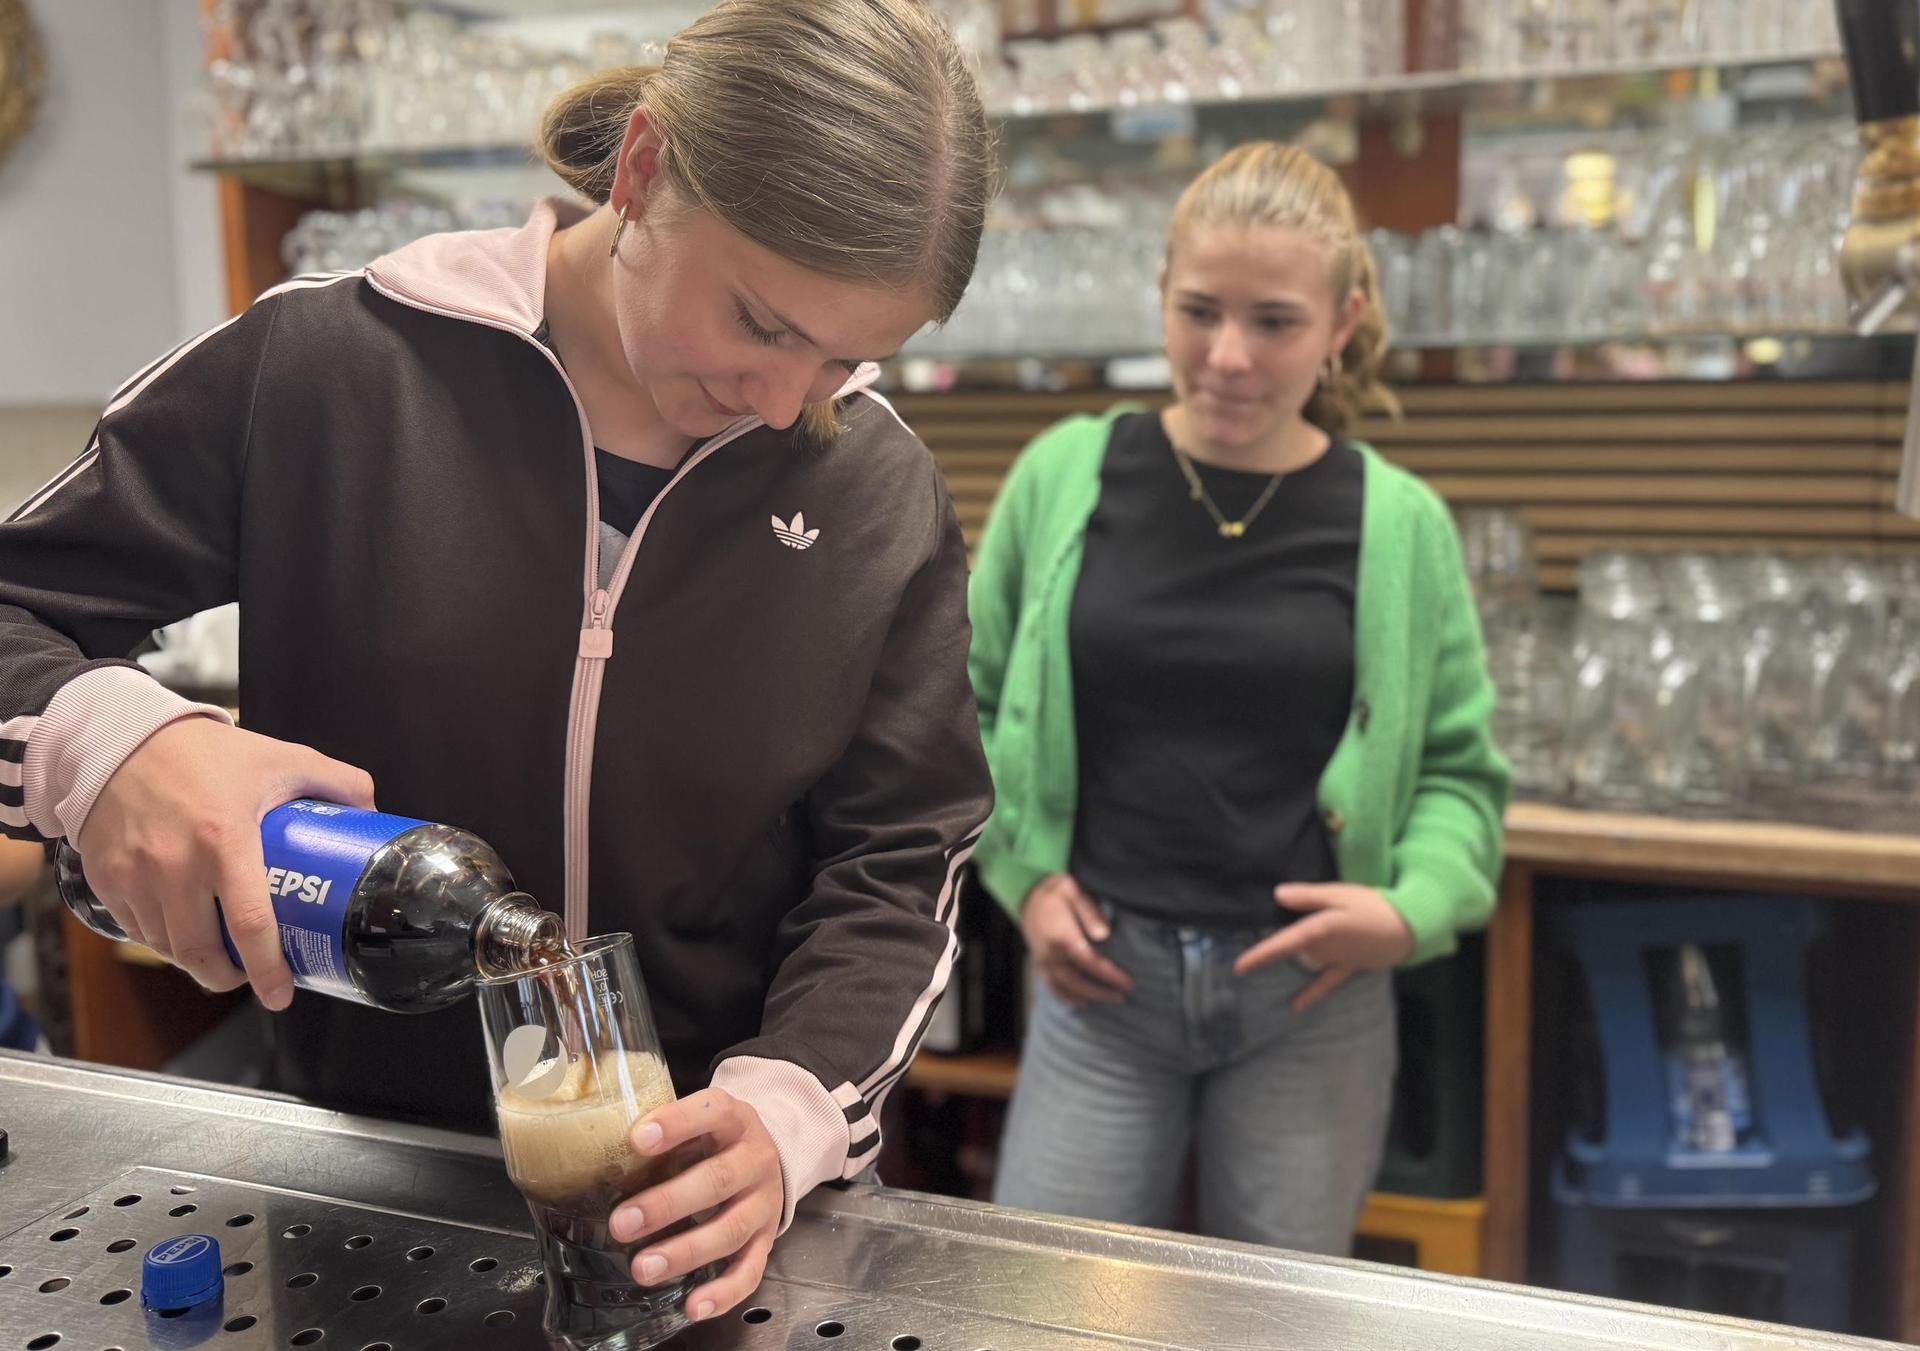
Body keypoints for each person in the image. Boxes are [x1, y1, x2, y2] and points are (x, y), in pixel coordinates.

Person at [0, 0, 995, 1322]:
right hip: (357, 1182)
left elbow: (900, 854)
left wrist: (789, 1110)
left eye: (846, 354)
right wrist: (116, 743)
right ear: (642, 171)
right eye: (761, 320)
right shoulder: (332, 366)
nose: (784, 397)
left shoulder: (876, 489)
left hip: (704, 1215)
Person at [967, 141, 1508, 1256]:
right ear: (1158, 298)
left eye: (1275, 322)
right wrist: (1020, 879)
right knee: (1046, 1308)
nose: (1228, 358)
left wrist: (1409, 911)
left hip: (1310, 1002)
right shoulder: (1064, 474)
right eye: (1199, 311)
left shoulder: (1398, 522)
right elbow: (961, 711)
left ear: (1343, 321)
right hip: (1098, 990)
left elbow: (1460, 773)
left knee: (1281, 1321)